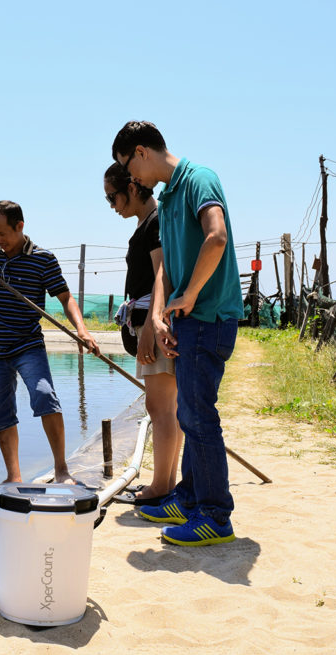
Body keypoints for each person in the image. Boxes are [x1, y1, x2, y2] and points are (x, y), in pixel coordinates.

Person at [112, 120, 244, 546]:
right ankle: (187, 498)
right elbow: (167, 263)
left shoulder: (199, 179)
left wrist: (189, 294)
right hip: (185, 321)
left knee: (199, 417)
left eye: (128, 169)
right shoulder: (168, 199)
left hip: (210, 318)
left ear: (141, 151)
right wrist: (159, 315)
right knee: (188, 413)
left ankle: (214, 515)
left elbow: (217, 237)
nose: (132, 180)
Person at [0, 200, 100, 487]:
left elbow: (65, 297)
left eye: (3, 233)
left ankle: (62, 470)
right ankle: (14, 477)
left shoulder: (43, 259)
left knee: (45, 396)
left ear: (20, 226)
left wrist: (82, 330)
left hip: (28, 345)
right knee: (1, 413)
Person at [104, 163, 183, 506]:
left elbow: (160, 277)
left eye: (113, 196)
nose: (112, 205)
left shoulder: (154, 223)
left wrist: (151, 328)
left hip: (156, 323)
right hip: (154, 321)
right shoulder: (148, 224)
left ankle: (161, 487)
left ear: (132, 188)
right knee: (168, 408)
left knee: (160, 407)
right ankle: (166, 482)